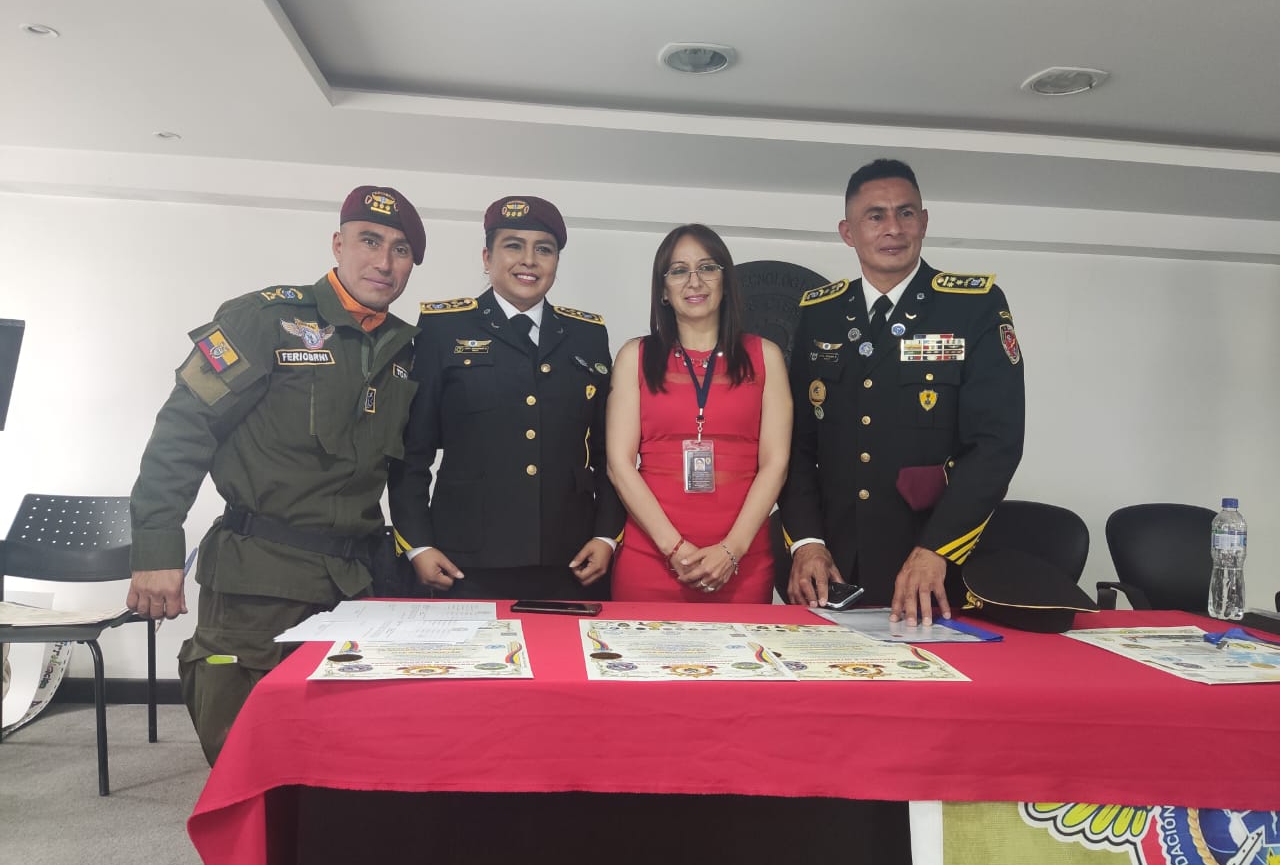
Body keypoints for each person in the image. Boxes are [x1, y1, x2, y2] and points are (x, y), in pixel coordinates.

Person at [127, 185, 426, 764]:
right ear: (338, 244)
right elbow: (184, 429)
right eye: (370, 241)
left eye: (401, 250)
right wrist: (157, 549)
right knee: (247, 756)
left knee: (345, 759)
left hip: (354, 585)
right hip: (258, 583)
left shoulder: (403, 348)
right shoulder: (265, 319)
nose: (384, 262)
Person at [778, 159, 1025, 624]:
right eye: (875, 216)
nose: (893, 228)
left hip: (934, 569)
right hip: (832, 569)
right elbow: (796, 445)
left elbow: (995, 445)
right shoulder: (820, 313)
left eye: (906, 213)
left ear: (924, 222)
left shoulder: (972, 307)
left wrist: (937, 548)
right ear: (848, 232)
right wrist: (807, 543)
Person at [388, 196, 624, 600]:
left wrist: (606, 535)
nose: (529, 260)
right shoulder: (443, 329)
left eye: (544, 249)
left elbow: (609, 453)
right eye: (514, 246)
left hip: (572, 558)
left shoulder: (587, 335)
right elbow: (413, 451)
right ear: (487, 256)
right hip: (464, 560)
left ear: (556, 261)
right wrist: (418, 544)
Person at [606, 224, 791, 602]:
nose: (695, 281)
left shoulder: (765, 356)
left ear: (726, 281)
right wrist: (674, 549)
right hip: (650, 559)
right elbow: (619, 465)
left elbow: (776, 463)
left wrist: (732, 550)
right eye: (678, 270)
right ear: (663, 289)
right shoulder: (634, 357)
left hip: (741, 562)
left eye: (707, 267)